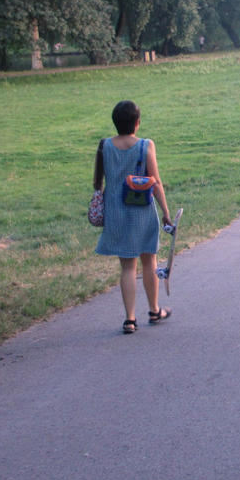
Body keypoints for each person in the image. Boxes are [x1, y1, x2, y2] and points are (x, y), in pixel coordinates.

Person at [94, 100, 172, 334]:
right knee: (149, 261)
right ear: (137, 123)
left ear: (115, 123)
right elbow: (156, 182)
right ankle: (154, 310)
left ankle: (129, 319)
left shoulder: (104, 146)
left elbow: (98, 181)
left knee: (127, 267)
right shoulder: (146, 145)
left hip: (116, 212)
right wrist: (166, 213)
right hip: (143, 211)